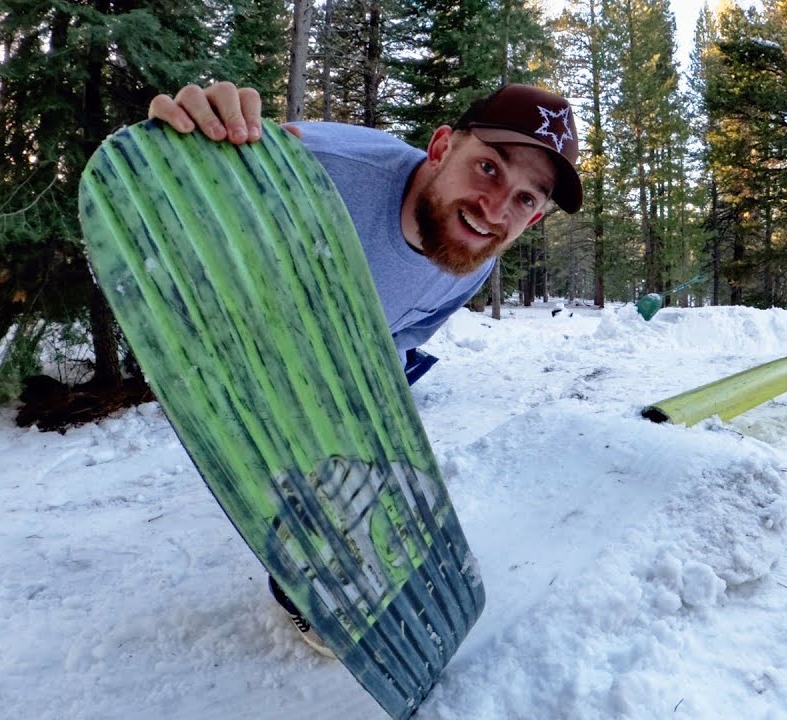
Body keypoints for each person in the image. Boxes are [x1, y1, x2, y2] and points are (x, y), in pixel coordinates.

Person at [147, 81, 584, 656]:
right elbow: (164, 209)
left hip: (354, 365)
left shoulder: (472, 259)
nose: (497, 209)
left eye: (528, 199)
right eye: (488, 168)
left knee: (361, 468)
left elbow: (404, 333)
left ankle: (336, 554)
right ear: (440, 146)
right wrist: (191, 136)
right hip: (247, 356)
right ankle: (304, 577)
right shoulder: (314, 169)